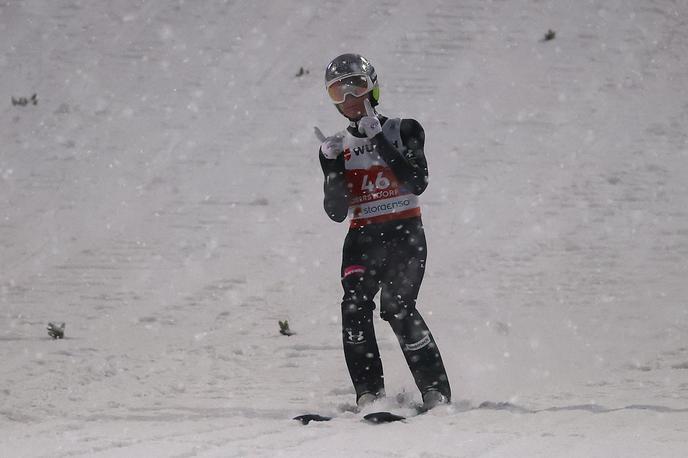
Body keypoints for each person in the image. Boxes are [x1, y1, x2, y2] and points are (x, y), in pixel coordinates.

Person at [317, 53, 451, 410]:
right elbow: (336, 212)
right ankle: (369, 393)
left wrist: (379, 142)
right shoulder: (337, 146)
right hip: (362, 237)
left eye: (356, 87)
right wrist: (331, 167)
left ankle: (436, 392)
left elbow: (417, 181)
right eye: (338, 92)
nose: (348, 99)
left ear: (372, 88)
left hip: (404, 232)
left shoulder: (404, 129)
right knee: (354, 306)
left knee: (397, 307)